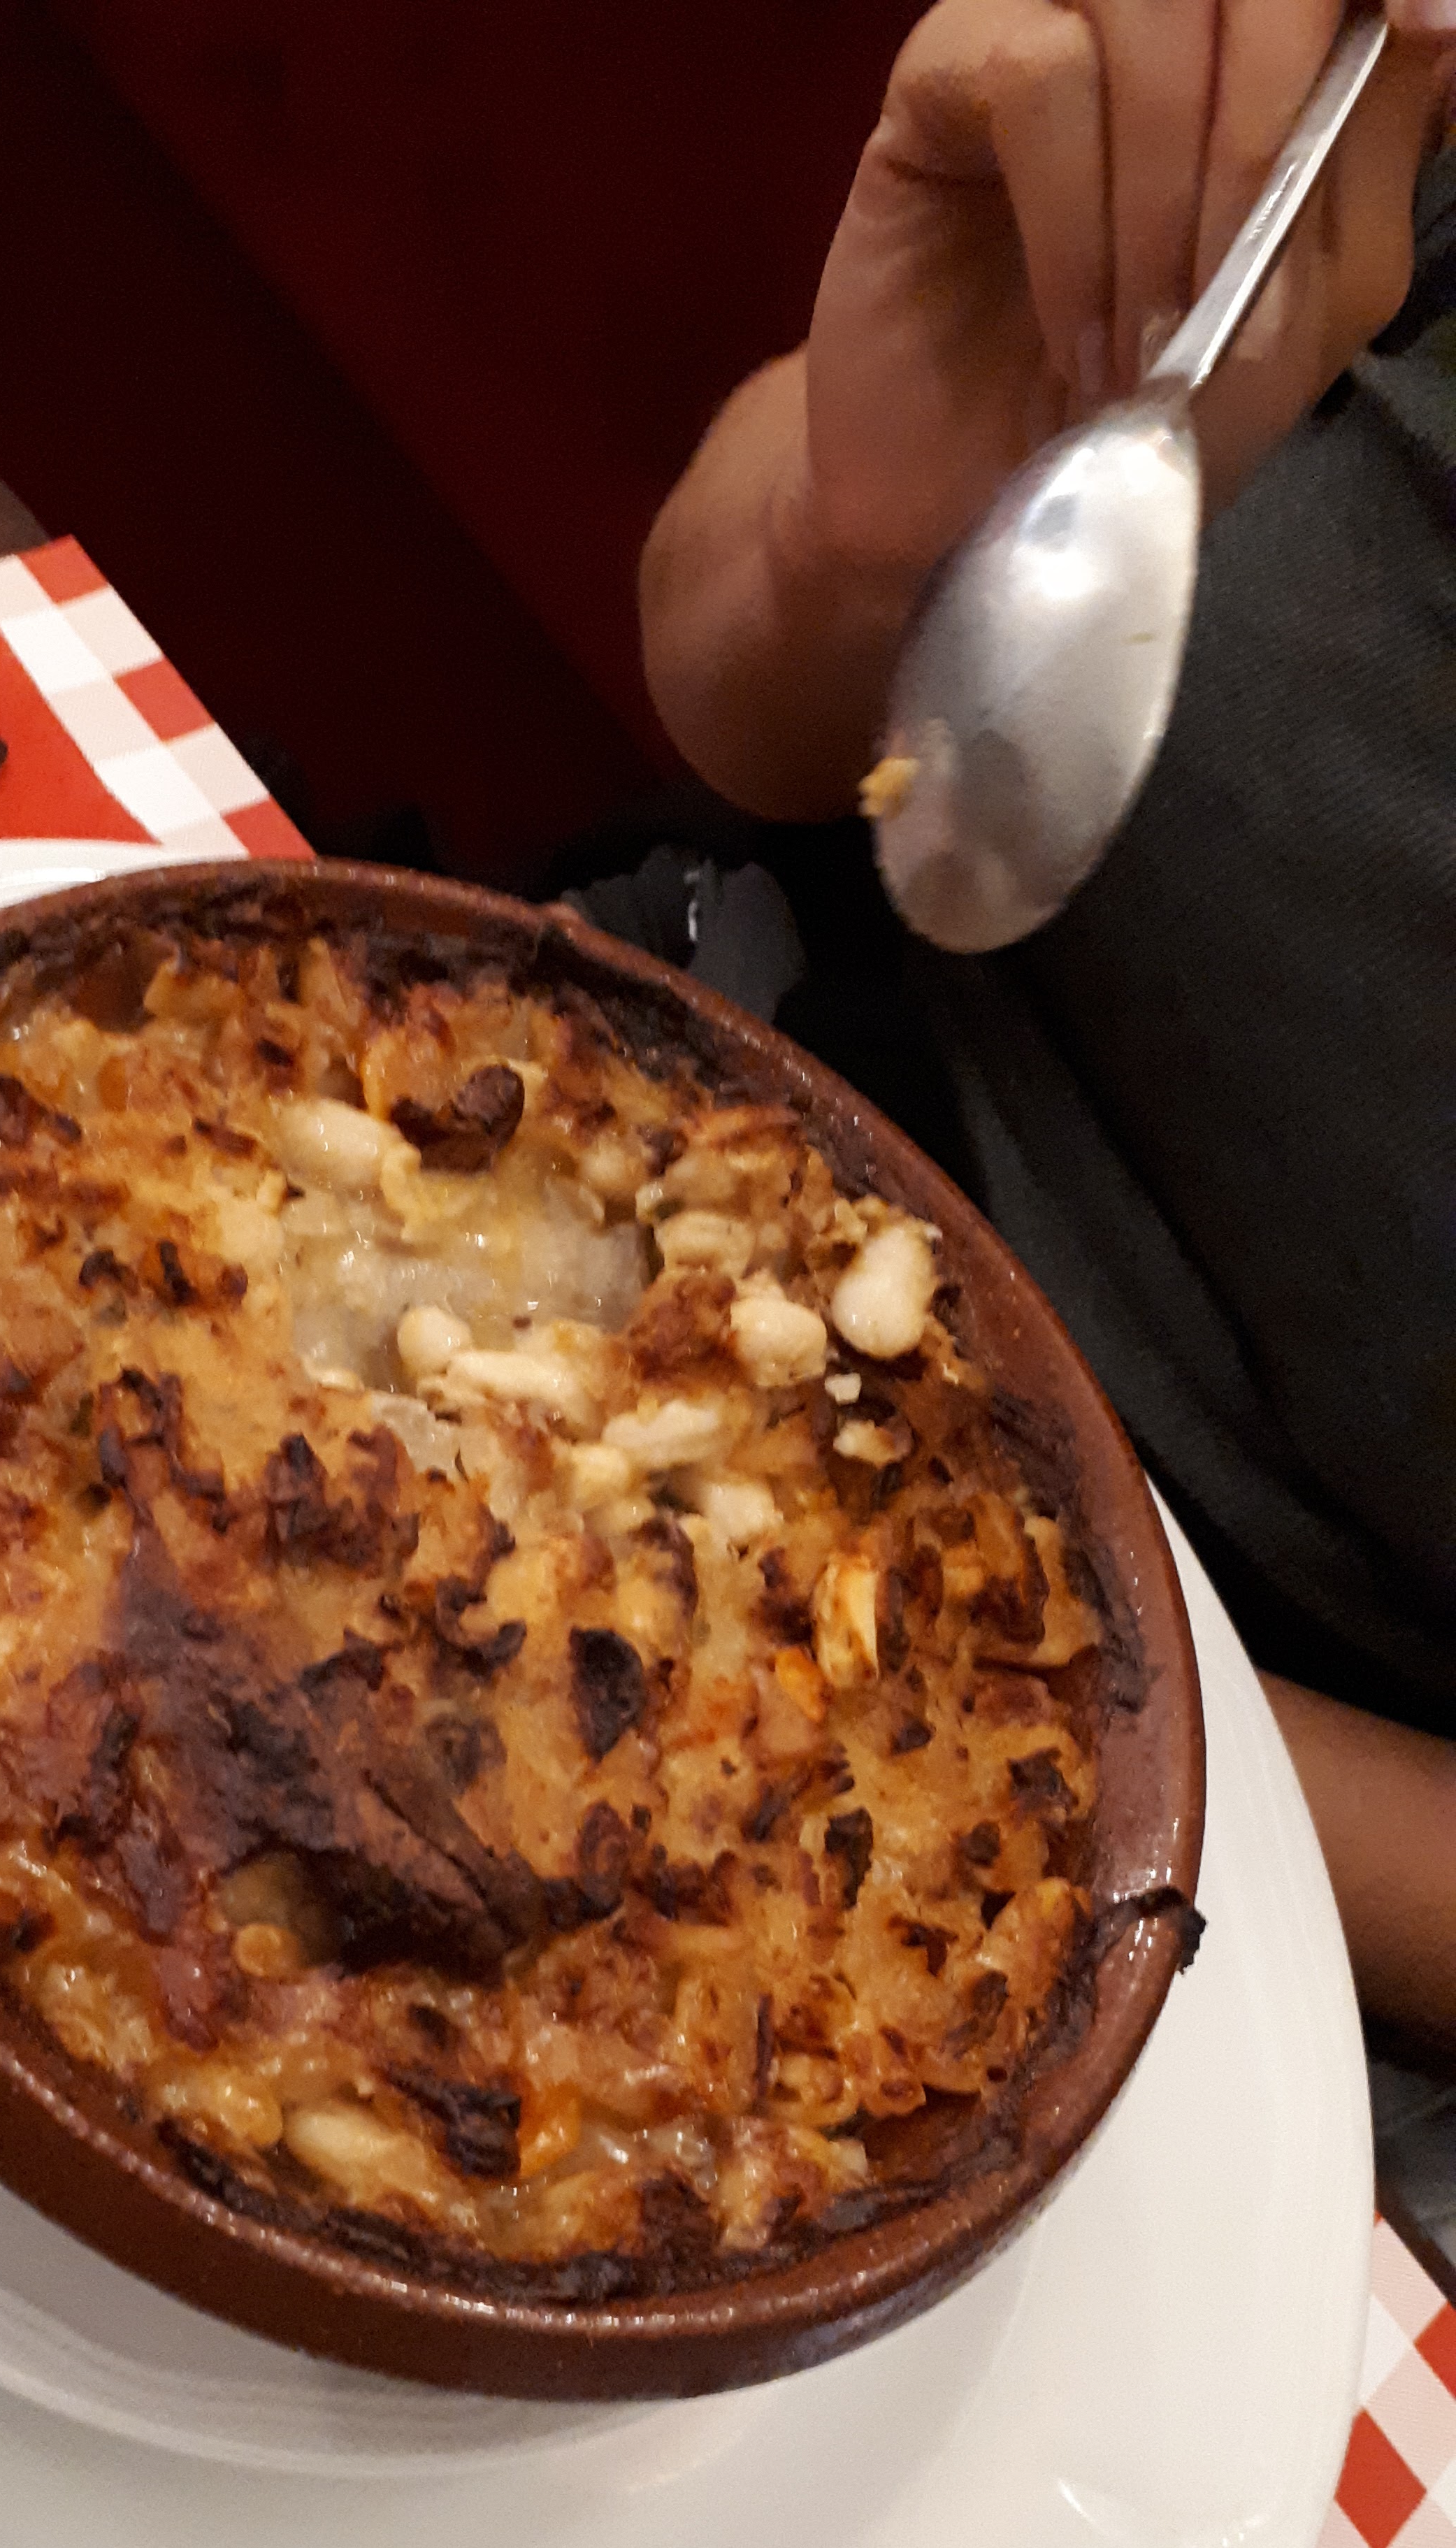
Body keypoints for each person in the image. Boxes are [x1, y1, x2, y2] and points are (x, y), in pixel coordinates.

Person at [628, 0, 1456, 2229]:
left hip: (1260, 1851)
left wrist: (1006, 1638)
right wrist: (866, 538)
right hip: (648, 1174)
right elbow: (723, 667)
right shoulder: (1396, 93)